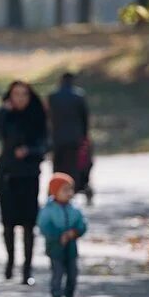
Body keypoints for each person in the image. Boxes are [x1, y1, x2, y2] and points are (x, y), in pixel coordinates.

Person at [0, 81, 48, 285]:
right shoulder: (7, 116)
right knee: (8, 223)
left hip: (29, 176)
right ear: (9, 96)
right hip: (7, 176)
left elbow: (47, 144)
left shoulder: (38, 116)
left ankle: (27, 269)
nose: (20, 98)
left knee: (29, 224)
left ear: (30, 96)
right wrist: (3, 112)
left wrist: (29, 151)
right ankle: (10, 263)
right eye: (15, 94)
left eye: (24, 94)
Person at [37, 173, 88, 297]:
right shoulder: (48, 209)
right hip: (55, 247)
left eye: (70, 189)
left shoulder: (75, 208)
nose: (69, 193)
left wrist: (75, 232)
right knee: (57, 273)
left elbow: (82, 224)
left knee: (73, 273)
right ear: (55, 191)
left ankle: (69, 296)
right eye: (64, 190)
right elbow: (44, 226)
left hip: (71, 247)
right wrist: (58, 235)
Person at [48, 72, 93, 204]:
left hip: (57, 138)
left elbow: (49, 117)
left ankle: (56, 190)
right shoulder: (78, 96)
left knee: (58, 166)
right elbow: (84, 118)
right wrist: (84, 136)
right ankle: (71, 190)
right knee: (74, 166)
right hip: (75, 138)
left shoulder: (53, 96)